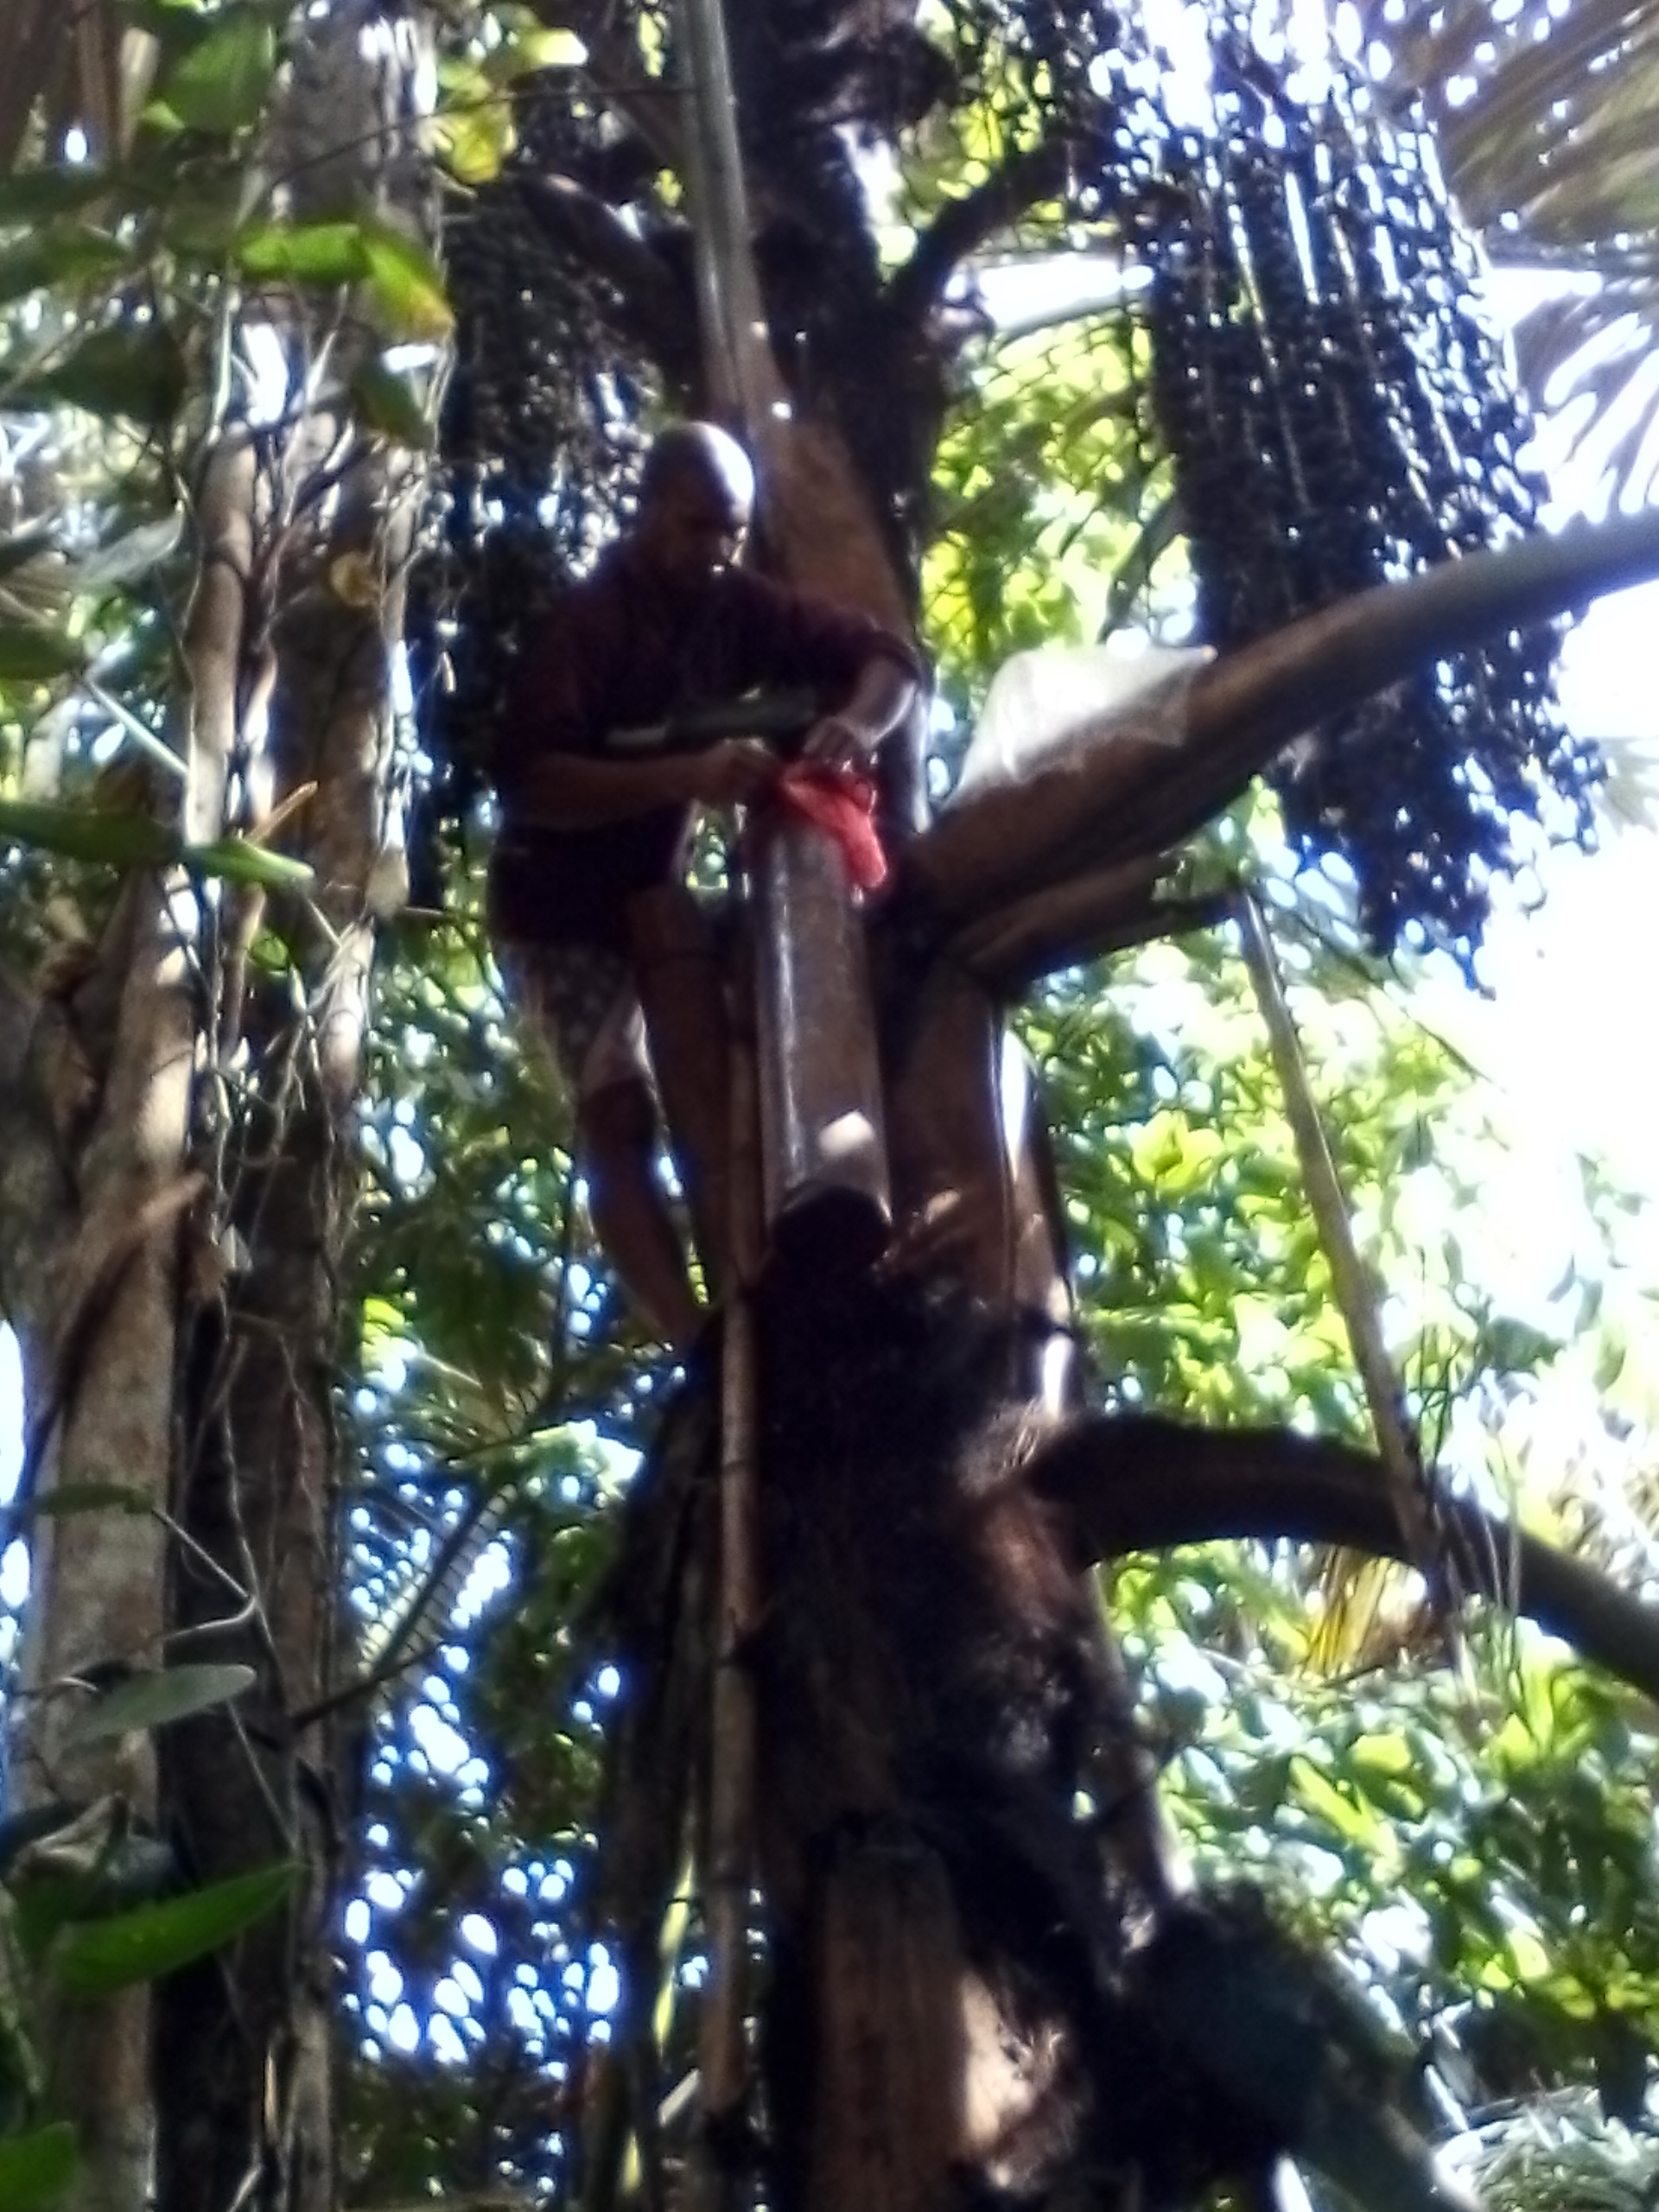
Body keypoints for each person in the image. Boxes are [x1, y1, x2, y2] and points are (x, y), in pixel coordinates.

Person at [490, 422, 923, 1351]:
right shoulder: (590, 624)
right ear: (648, 512)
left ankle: (781, 1266)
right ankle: (695, 1337)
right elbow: (533, 781)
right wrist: (682, 776)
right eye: (697, 527)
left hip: (660, 906)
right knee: (618, 1114)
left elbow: (886, 658)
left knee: (756, 1031)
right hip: (558, 913)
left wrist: (857, 726)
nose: (716, 550)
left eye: (731, 531)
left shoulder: (735, 605)